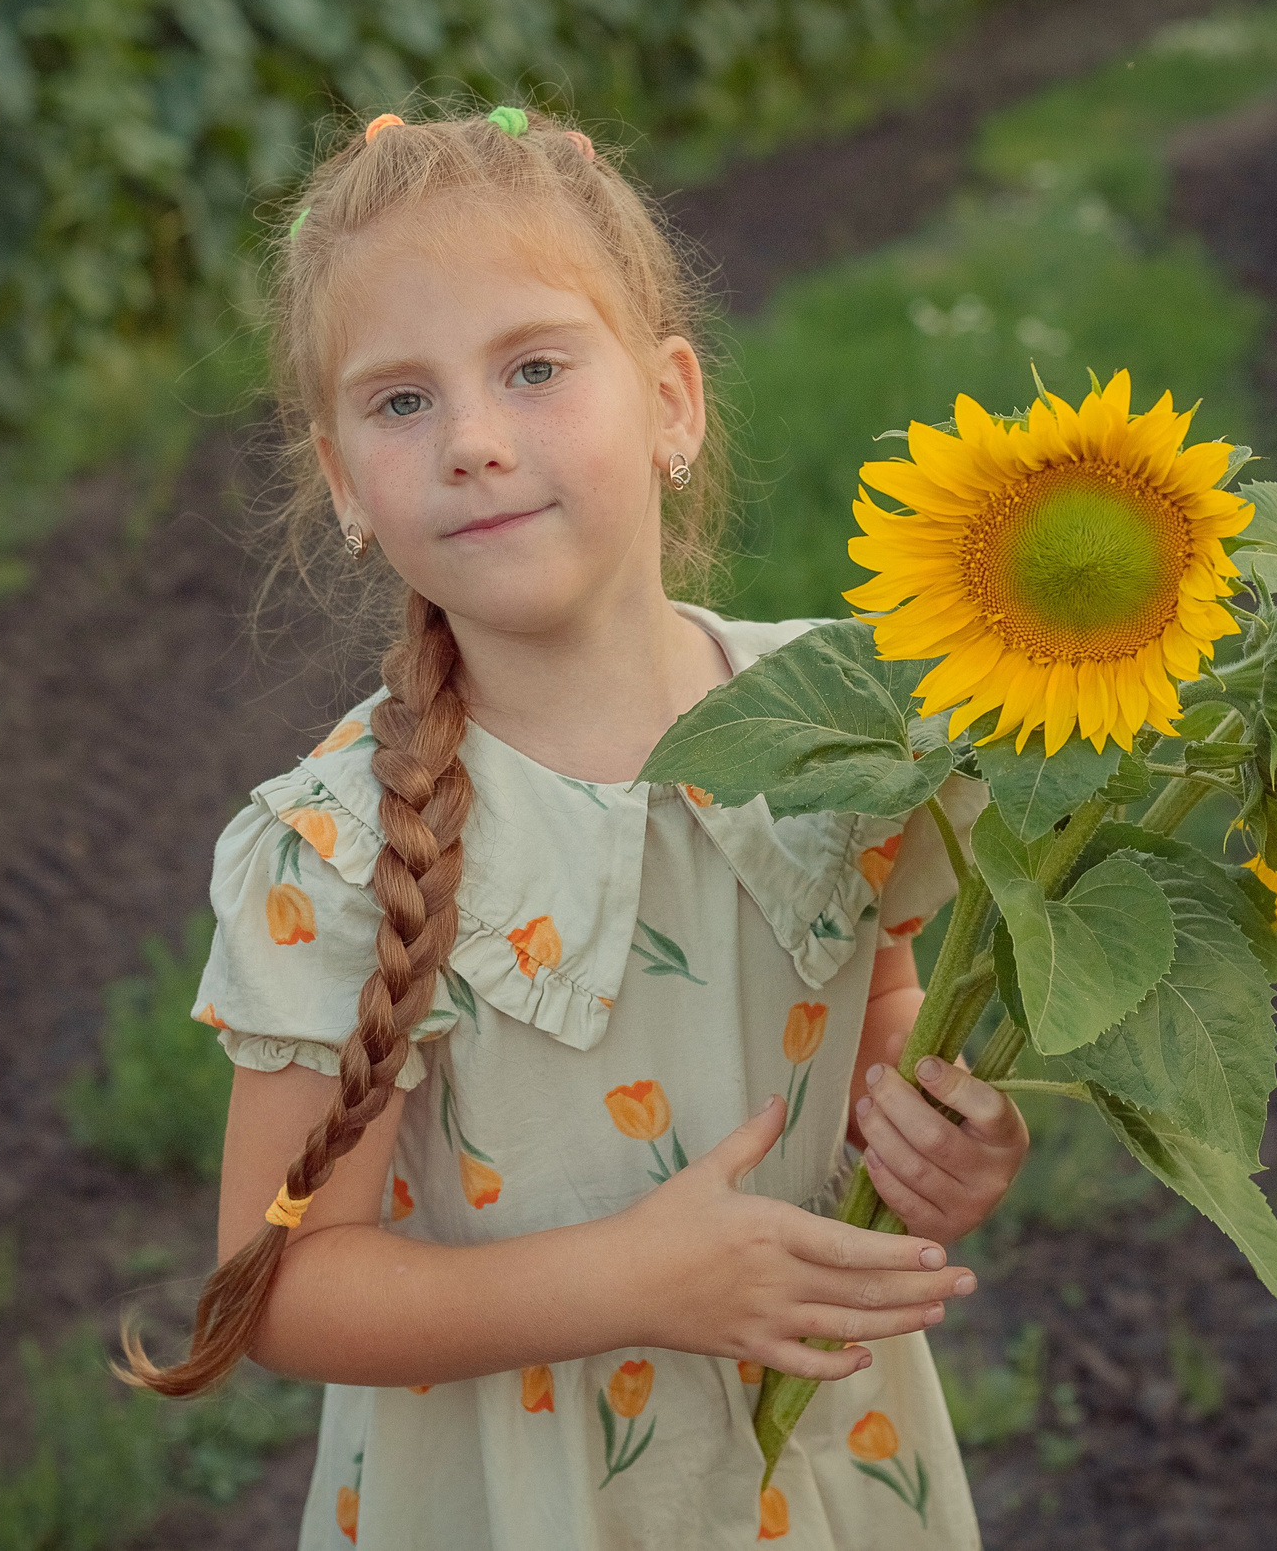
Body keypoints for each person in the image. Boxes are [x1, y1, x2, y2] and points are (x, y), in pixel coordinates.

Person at [120, 103, 1031, 1547]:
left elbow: (884, 1023)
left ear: (673, 400)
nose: (475, 441)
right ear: (347, 484)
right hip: (516, 1503)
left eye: (534, 367)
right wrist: (633, 1282)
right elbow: (279, 1289)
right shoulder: (346, 851)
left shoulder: (851, 730)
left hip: (822, 1476)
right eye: (402, 402)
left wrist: (944, 1150)